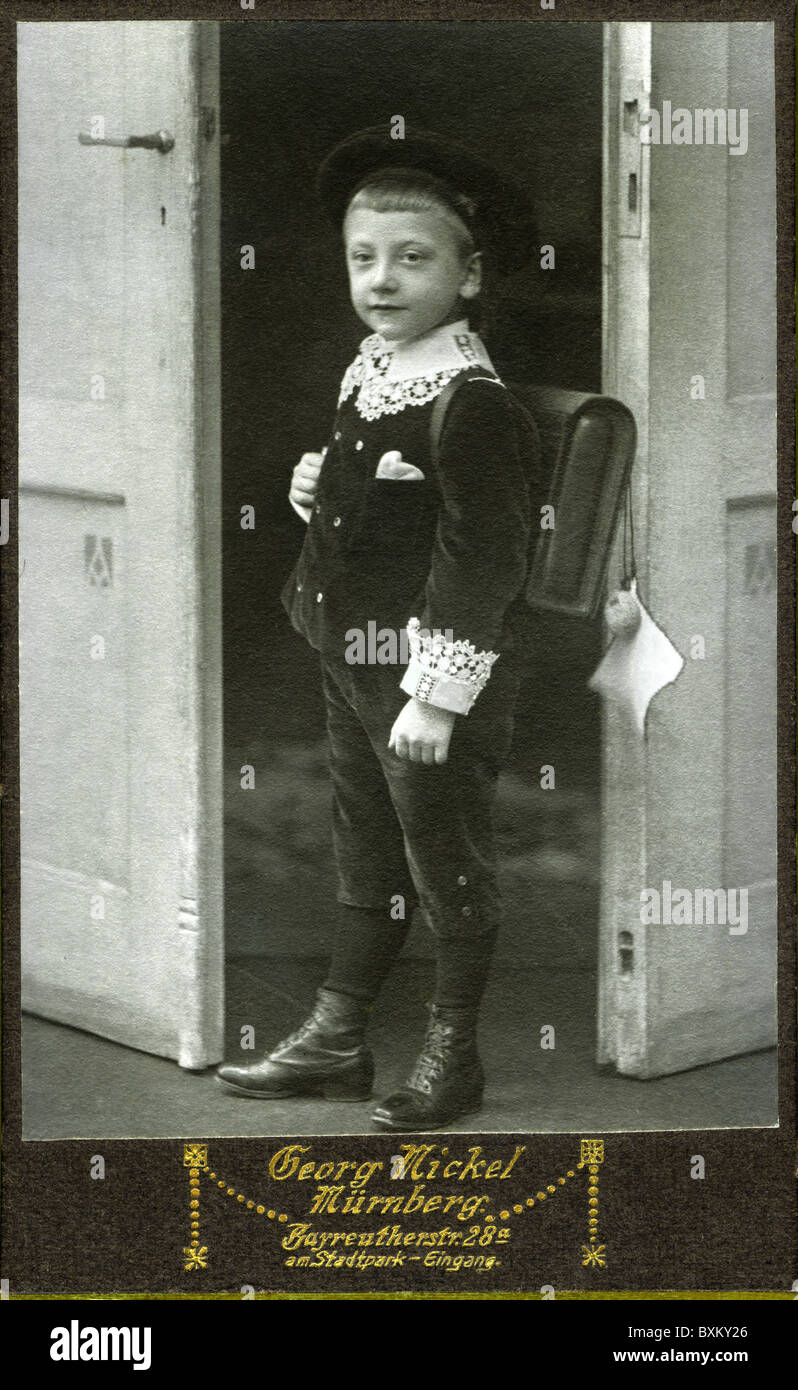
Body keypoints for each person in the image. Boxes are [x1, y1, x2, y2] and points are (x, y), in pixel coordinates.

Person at [216, 125, 538, 1130]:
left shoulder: (471, 401)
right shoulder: (376, 368)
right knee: (366, 844)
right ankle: (339, 1035)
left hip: (430, 677)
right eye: (365, 258)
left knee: (444, 854)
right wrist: (321, 486)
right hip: (348, 655)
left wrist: (438, 696)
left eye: (414, 257)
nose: (384, 279)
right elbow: (380, 504)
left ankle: (454, 1054)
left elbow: (481, 556)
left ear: (469, 273)